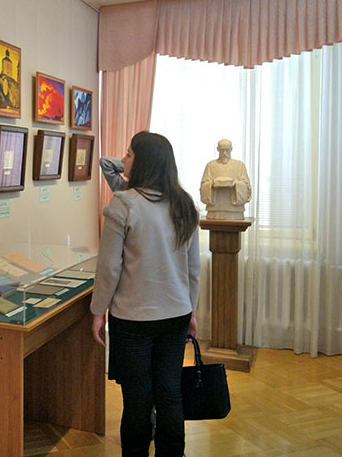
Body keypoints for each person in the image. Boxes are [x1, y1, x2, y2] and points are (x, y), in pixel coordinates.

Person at [91, 131, 200, 457]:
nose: (123, 158)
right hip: (176, 314)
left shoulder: (124, 204)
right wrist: (192, 310)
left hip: (133, 319)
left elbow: (109, 267)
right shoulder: (184, 204)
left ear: (144, 161)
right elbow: (193, 269)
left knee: (138, 400)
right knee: (170, 395)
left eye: (129, 153)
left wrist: (98, 311)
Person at [200, 139, 251, 220]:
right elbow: (203, 185)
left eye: (227, 150)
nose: (224, 153)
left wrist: (234, 183)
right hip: (214, 211)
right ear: (217, 149)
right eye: (222, 150)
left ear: (231, 149)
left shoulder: (239, 165)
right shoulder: (210, 165)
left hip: (235, 212)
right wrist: (212, 184)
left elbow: (246, 186)